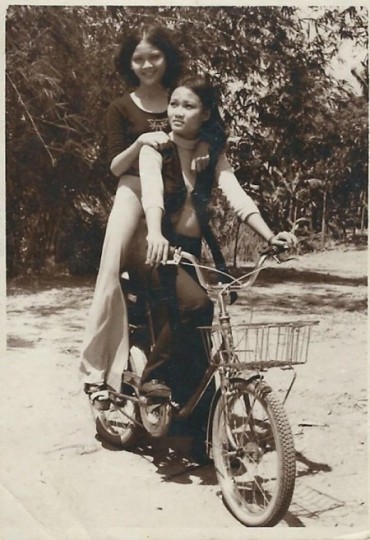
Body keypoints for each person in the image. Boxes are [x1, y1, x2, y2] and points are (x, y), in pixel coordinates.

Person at [133, 73, 297, 459]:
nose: (177, 111)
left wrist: (270, 235)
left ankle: (201, 435)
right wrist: (156, 234)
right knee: (198, 305)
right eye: (173, 103)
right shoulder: (156, 147)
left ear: (205, 113)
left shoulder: (212, 153)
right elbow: (152, 196)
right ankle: (152, 377)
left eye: (188, 106)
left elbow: (236, 195)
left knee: (207, 336)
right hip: (151, 246)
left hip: (189, 249)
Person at [79, 23, 210, 410]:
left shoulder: (178, 98)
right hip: (134, 190)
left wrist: (203, 143)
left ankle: (185, 390)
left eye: (154, 56)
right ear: (128, 63)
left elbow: (209, 129)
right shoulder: (121, 106)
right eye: (138, 58)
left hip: (172, 195)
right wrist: (141, 141)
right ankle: (95, 373)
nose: (147, 64)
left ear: (166, 58)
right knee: (109, 271)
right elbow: (115, 167)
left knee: (188, 289)